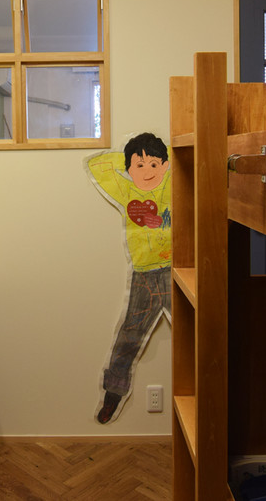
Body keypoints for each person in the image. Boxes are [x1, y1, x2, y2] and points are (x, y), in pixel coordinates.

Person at [86, 132, 171, 423]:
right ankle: (113, 395)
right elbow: (96, 163)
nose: (147, 173)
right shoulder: (126, 191)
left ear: (166, 165)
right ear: (128, 169)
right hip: (144, 277)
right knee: (128, 337)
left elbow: (186, 160)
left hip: (177, 272)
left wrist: (167, 158)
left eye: (154, 165)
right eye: (139, 165)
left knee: (201, 331)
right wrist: (132, 159)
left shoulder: (173, 183)